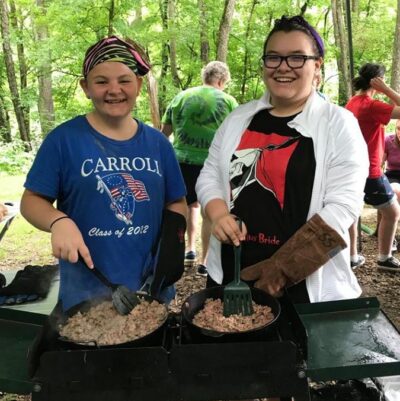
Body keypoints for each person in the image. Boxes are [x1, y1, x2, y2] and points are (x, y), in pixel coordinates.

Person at [196, 14, 369, 309]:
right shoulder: (239, 117)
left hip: (303, 285)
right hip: (232, 275)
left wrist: (282, 269)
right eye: (274, 58)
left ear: (317, 66)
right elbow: (210, 174)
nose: (283, 67)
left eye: (297, 58)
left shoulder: (338, 124)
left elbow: (344, 206)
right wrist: (218, 213)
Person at [20, 35, 187, 311]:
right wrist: (58, 221)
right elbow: (31, 201)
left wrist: (170, 252)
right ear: (86, 87)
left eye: (124, 80)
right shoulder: (64, 140)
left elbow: (176, 201)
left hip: (152, 291)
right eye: (101, 81)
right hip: (87, 293)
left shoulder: (158, 144)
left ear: (139, 85)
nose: (114, 90)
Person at [161, 61, 238, 277]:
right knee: (209, 212)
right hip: (212, 165)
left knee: (186, 207)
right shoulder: (229, 101)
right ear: (221, 81)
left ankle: (188, 251)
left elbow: (164, 134)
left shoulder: (181, 97)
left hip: (181, 163)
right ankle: (205, 262)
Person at [346, 63, 400, 273]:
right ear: (377, 81)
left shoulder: (352, 102)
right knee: (393, 212)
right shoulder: (371, 105)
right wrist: (387, 90)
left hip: (352, 167)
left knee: (353, 211)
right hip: (370, 170)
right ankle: (384, 257)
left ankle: (352, 257)